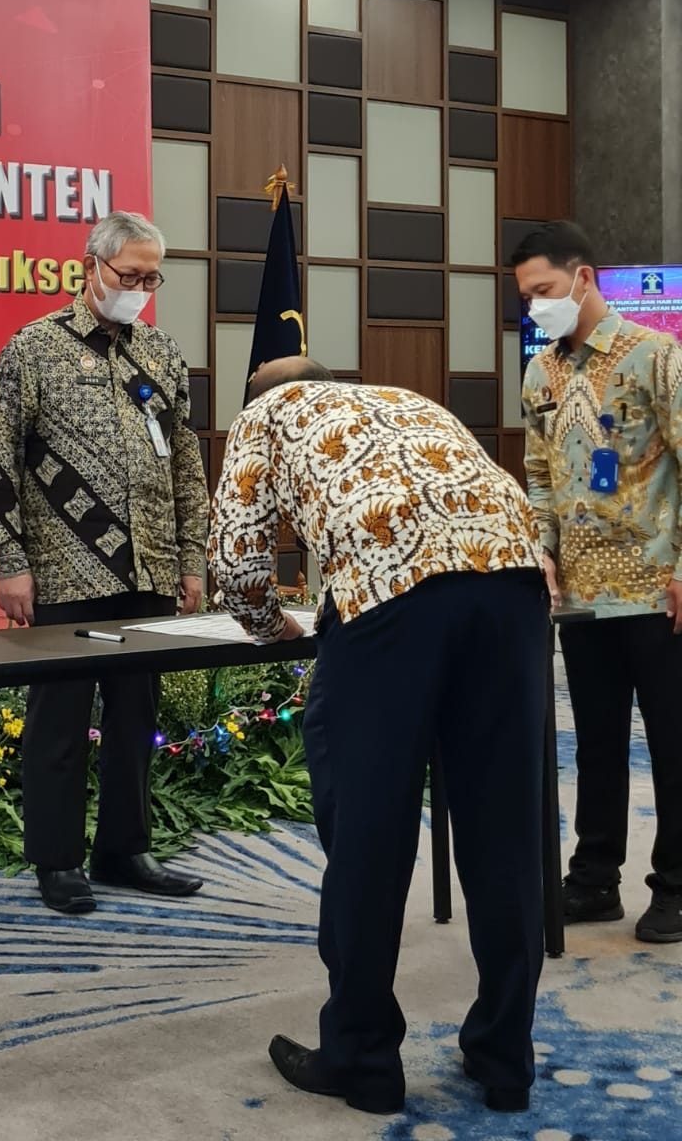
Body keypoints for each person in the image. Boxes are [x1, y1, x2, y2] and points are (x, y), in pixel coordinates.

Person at [209, 357, 548, 1117]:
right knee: (505, 828)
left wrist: (273, 626)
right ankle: (505, 1060)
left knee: (369, 830)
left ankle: (362, 1059)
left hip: (392, 598)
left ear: (258, 397)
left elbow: (236, 563)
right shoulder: (405, 398)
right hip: (513, 584)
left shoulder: (266, 415)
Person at [0, 210, 208, 916]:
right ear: (91, 267)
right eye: (128, 275)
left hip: (150, 569)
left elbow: (186, 461)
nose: (139, 289)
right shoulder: (33, 349)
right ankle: (57, 860)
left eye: (151, 279)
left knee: (136, 719)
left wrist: (192, 559)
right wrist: (10, 559)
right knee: (60, 723)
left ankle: (124, 849)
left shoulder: (161, 353)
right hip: (64, 571)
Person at [515, 220, 682, 944]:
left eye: (544, 290)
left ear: (582, 277)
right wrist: (542, 550)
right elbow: (539, 475)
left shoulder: (655, 355)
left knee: (673, 743)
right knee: (597, 743)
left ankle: (676, 886)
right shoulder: (540, 373)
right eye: (526, 296)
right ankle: (594, 879)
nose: (536, 307)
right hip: (581, 599)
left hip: (659, 587)